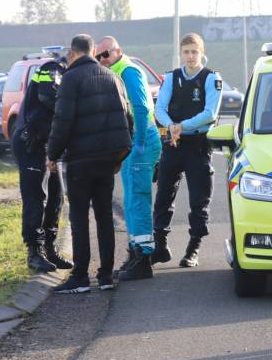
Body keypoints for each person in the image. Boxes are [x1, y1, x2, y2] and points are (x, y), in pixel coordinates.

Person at [47, 34, 133, 294]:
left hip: (80, 160)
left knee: (80, 216)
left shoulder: (70, 79)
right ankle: (106, 275)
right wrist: (119, 154)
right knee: (105, 215)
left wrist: (52, 153)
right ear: (93, 50)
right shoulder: (112, 76)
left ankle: (81, 276)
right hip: (108, 158)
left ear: (72, 52)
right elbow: (127, 115)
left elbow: (62, 120)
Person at [152, 33, 223, 268]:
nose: (190, 56)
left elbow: (209, 114)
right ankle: (160, 246)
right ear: (180, 54)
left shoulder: (211, 78)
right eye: (186, 52)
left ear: (201, 52)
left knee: (198, 199)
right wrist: (171, 126)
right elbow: (160, 108)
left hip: (198, 145)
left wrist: (182, 126)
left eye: (194, 51)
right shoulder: (171, 78)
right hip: (172, 143)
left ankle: (193, 249)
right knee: (163, 196)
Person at [95, 36, 162, 281]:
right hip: (130, 142)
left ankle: (144, 258)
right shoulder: (116, 72)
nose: (102, 60)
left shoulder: (129, 71)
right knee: (131, 200)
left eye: (106, 54)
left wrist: (140, 142)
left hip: (139, 139)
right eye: (98, 57)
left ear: (118, 51)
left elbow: (142, 108)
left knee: (138, 200)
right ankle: (136, 252)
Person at [12, 46, 73, 273]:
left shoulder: (68, 75)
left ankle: (49, 248)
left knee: (56, 196)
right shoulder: (52, 68)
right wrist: (71, 107)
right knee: (36, 196)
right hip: (32, 143)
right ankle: (34, 252)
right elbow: (47, 95)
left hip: (50, 144)